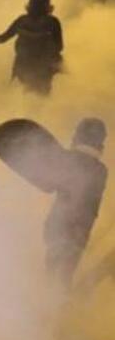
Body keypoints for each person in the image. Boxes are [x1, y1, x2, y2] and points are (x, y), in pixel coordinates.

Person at [44, 118, 108, 288]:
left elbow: (49, 183)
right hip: (81, 231)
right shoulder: (101, 170)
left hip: (61, 225)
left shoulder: (70, 160)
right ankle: (58, 301)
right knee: (65, 273)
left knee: (53, 270)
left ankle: (51, 302)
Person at [0, 0, 63, 95]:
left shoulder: (28, 21)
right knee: (31, 98)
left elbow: (3, 38)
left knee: (33, 99)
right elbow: (59, 47)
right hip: (30, 69)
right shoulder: (48, 22)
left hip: (37, 69)